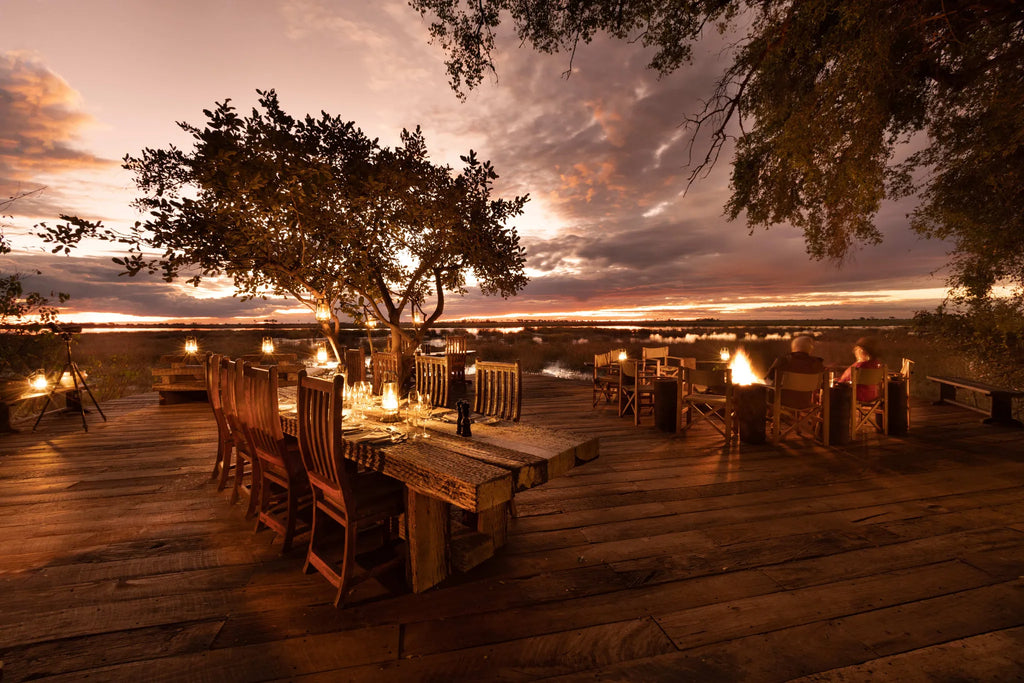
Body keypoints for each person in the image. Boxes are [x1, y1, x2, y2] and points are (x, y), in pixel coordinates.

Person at [764, 335, 825, 408]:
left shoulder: (784, 360)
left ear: (794, 347)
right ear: (810, 349)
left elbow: (767, 379)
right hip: (805, 403)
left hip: (780, 403)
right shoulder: (817, 364)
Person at [838, 336, 883, 401]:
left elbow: (844, 381)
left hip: (856, 397)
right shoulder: (877, 365)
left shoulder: (859, 366)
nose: (855, 352)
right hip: (873, 396)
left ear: (862, 351)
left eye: (857, 349)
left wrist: (837, 381)